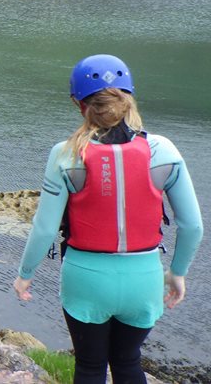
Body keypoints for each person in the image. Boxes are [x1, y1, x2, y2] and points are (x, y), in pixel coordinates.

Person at [13, 54, 203, 384]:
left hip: (86, 279)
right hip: (142, 278)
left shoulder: (64, 154)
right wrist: (177, 273)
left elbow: (44, 228)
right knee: (128, 362)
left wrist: (25, 274)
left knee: (90, 366)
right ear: (128, 96)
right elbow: (192, 225)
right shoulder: (164, 150)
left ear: (77, 103)